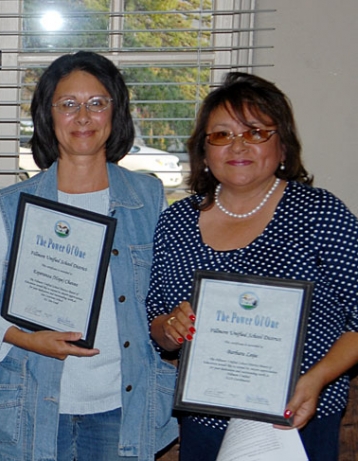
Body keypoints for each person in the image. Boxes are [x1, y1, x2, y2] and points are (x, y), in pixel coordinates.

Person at [147, 72, 358, 461]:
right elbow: (157, 326)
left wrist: (317, 380)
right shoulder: (175, 223)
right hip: (205, 422)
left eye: (256, 132)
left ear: (282, 147)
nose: (237, 145)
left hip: (295, 422)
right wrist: (170, 328)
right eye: (222, 135)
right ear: (204, 152)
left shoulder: (320, 214)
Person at [0, 51, 178, 461]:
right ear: (47, 116)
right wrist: (30, 340)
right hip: (33, 405)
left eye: (97, 103)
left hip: (123, 407)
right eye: (68, 104)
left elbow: (166, 299)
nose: (83, 116)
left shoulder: (150, 198)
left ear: (115, 111)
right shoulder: (11, 206)